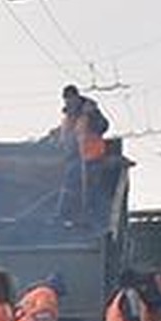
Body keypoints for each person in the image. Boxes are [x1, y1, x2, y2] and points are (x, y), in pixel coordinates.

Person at [56, 85, 108, 227]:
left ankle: (94, 218)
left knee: (89, 188)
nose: (69, 103)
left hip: (92, 157)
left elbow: (103, 126)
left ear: (77, 97)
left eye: (71, 99)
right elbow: (66, 136)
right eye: (66, 100)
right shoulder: (68, 116)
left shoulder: (90, 112)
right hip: (76, 158)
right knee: (72, 184)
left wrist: (93, 115)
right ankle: (68, 216)